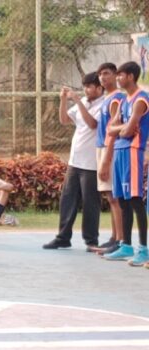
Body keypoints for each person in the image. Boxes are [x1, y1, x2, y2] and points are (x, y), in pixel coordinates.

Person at [43, 72, 104, 250]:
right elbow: (64, 120)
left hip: (91, 163)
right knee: (67, 199)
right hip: (75, 161)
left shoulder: (103, 104)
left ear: (99, 88)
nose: (86, 90)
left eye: (89, 86)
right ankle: (63, 237)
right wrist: (63, 100)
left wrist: (77, 100)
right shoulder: (83, 102)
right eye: (84, 86)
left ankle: (91, 240)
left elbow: (92, 124)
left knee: (90, 202)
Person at [103, 62, 149, 266]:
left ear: (130, 76)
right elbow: (111, 128)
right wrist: (122, 128)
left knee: (135, 200)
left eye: (120, 75)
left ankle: (144, 249)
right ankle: (126, 245)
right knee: (121, 199)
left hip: (132, 151)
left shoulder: (141, 99)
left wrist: (121, 128)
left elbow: (128, 131)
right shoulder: (124, 101)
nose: (117, 78)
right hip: (120, 152)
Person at [93, 63, 126, 255]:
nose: (102, 78)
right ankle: (114, 237)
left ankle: (121, 240)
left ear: (116, 76)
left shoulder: (117, 99)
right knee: (110, 196)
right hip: (102, 148)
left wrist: (106, 159)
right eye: (100, 74)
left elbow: (114, 131)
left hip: (109, 149)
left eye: (106, 73)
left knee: (115, 197)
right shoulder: (107, 98)